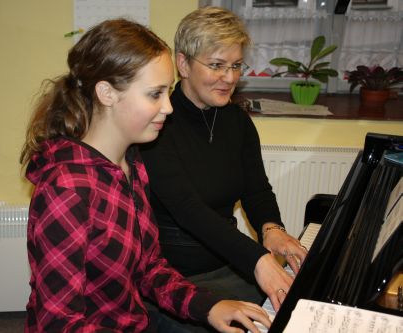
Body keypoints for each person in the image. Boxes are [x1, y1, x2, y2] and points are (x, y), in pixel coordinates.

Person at [20, 18, 271, 333]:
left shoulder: (131, 164)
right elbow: (57, 324)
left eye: (167, 92)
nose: (168, 107)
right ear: (107, 93)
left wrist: (209, 307)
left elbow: (149, 269)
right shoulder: (67, 188)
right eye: (155, 94)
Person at [140, 7, 308, 332]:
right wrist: (258, 260)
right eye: (216, 65)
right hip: (172, 282)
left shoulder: (237, 121)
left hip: (227, 264)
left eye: (235, 66)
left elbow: (257, 190)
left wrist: (272, 229)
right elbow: (189, 211)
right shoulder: (157, 125)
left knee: (295, 308)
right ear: (183, 63)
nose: (229, 78)